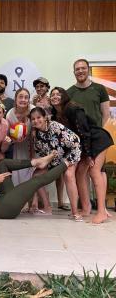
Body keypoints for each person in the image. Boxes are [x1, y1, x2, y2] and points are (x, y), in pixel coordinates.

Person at [50, 87, 114, 224]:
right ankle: (86, 208)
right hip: (84, 145)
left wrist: (89, 155)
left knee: (94, 171)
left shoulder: (73, 109)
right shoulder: (56, 115)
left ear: (64, 96)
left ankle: (102, 211)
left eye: (58, 94)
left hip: (97, 139)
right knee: (80, 173)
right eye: (52, 94)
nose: (55, 96)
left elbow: (84, 131)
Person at [67, 58, 110, 215]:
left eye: (83, 68)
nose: (80, 71)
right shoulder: (69, 92)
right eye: (77, 69)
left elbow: (105, 114)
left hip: (97, 137)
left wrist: (99, 132)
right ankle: (86, 206)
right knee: (82, 171)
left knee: (98, 171)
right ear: (74, 72)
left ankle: (102, 208)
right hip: (80, 140)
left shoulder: (100, 89)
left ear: (88, 69)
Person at [30, 107, 82, 221]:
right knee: (36, 176)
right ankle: (47, 207)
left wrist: (66, 161)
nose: (36, 120)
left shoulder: (55, 126)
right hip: (54, 159)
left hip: (71, 153)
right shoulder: (36, 136)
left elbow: (75, 142)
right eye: (33, 119)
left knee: (68, 175)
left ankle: (75, 212)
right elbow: (42, 154)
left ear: (45, 118)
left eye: (38, 117)